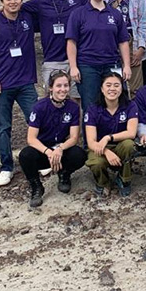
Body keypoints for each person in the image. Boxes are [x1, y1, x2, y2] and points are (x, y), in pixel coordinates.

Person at [0, 0, 88, 98]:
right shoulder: (39, 3)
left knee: (76, 101)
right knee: (53, 101)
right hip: (53, 61)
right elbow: (14, 5)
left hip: (77, 60)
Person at [0, 0, 38, 186]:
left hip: (26, 83)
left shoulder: (28, 17)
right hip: (2, 84)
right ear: (2, 1)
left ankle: (40, 158)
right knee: (3, 127)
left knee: (36, 120)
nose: (13, 2)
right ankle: (7, 167)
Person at [18, 70, 87, 207]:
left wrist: (60, 149)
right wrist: (48, 152)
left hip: (61, 148)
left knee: (80, 154)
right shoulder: (39, 107)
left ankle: (64, 174)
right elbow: (31, 138)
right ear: (51, 87)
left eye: (66, 86)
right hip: (43, 150)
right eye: (59, 86)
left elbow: (74, 137)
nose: (63, 89)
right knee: (25, 155)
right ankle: (36, 186)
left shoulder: (73, 107)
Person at [66, 0, 131, 111]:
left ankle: (113, 133)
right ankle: (90, 133)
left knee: (115, 102)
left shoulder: (115, 14)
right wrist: (73, 67)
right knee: (90, 105)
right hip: (88, 66)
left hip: (112, 64)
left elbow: (123, 42)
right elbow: (72, 42)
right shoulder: (78, 14)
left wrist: (127, 66)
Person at [84, 72, 139, 197]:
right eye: (108, 85)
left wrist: (108, 137)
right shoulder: (93, 109)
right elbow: (91, 141)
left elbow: (131, 133)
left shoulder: (130, 106)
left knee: (130, 145)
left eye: (116, 85)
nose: (112, 89)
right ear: (102, 89)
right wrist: (107, 152)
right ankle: (103, 182)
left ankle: (124, 179)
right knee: (96, 163)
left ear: (122, 88)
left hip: (120, 145)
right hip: (100, 148)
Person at [106, 0, 146, 97]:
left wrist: (141, 47)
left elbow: (143, 22)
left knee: (135, 89)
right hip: (109, 43)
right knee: (111, 86)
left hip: (132, 41)